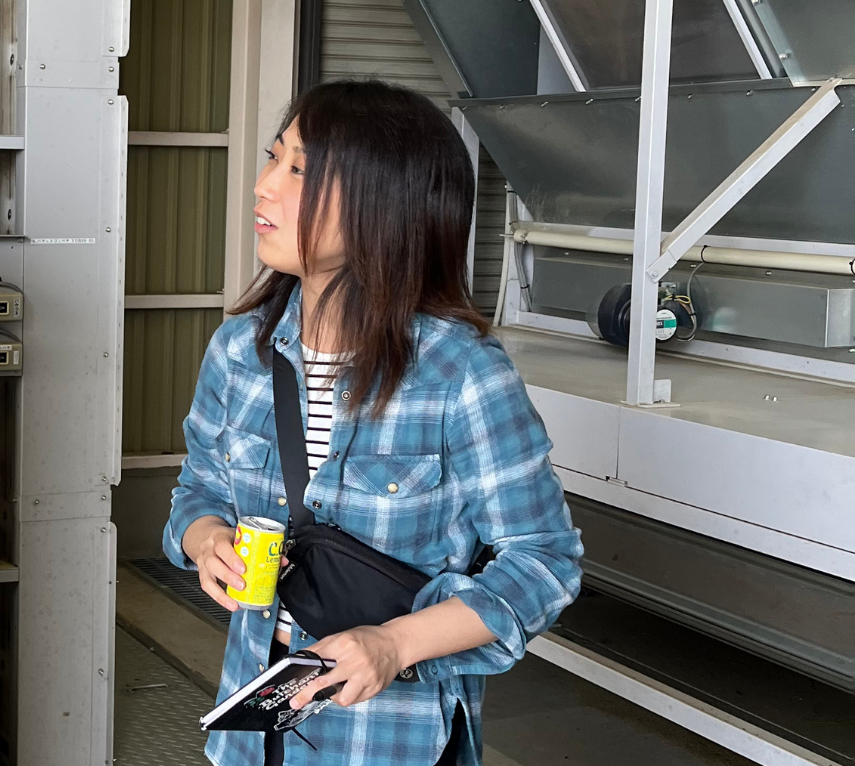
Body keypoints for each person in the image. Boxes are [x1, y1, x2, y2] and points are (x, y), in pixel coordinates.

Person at [164, 80, 582, 766]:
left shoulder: (461, 375)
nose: (263, 187)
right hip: (252, 730)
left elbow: (544, 563)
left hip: (389, 741)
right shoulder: (239, 352)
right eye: (274, 159)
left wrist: (394, 645)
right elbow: (198, 489)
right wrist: (205, 536)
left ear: (379, 204)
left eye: (297, 170)